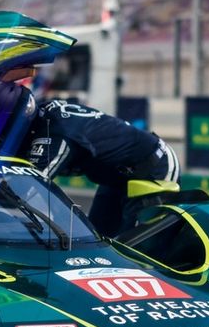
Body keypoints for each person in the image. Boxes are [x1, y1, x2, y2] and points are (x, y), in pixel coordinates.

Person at [22, 98, 180, 237]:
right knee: (97, 237)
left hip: (154, 166)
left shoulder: (58, 132)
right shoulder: (44, 116)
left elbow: (31, 183)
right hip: (116, 178)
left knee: (136, 249)